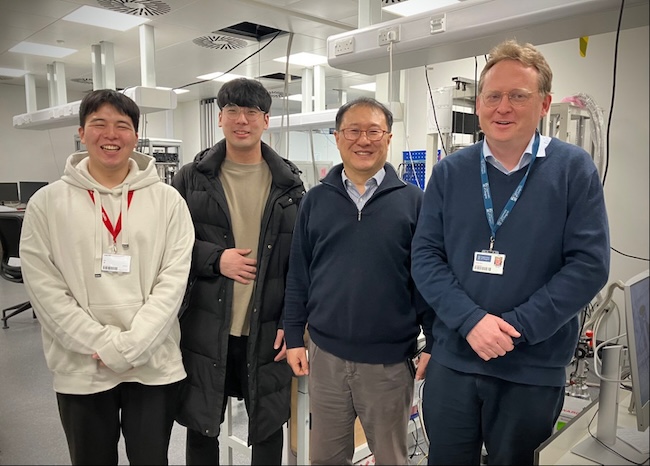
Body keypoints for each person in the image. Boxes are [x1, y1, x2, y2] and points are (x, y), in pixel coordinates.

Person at [411, 39, 610, 465]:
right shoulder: (450, 172)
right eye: (493, 96)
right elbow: (426, 258)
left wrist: (513, 328)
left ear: (543, 104)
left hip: (531, 369)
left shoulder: (573, 170)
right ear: (479, 105)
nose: (503, 107)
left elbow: (589, 265)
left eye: (518, 96)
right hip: (455, 363)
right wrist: (471, 322)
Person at [19, 89, 194, 465]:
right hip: (80, 366)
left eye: (122, 125)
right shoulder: (47, 203)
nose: (110, 134)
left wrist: (130, 347)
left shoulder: (168, 201)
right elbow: (45, 289)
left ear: (135, 135)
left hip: (152, 365)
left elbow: (173, 282)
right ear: (81, 132)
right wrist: (103, 344)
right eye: (99, 124)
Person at [283, 97, 434, 465]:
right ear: (337, 138)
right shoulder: (316, 200)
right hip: (325, 358)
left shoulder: (415, 202)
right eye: (353, 130)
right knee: (325, 459)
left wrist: (435, 340)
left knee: (391, 457)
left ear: (389, 138)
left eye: (373, 131)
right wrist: (292, 337)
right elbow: (299, 273)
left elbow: (428, 279)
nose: (363, 140)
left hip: (388, 363)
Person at [172, 78, 306, 465]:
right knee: (202, 423)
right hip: (207, 323)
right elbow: (170, 245)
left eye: (251, 112)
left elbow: (300, 261)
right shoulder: (191, 178)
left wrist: (291, 320)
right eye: (233, 111)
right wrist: (216, 259)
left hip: (266, 328)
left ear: (265, 120)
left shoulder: (290, 185)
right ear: (220, 118)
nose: (241, 120)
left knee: (267, 426)